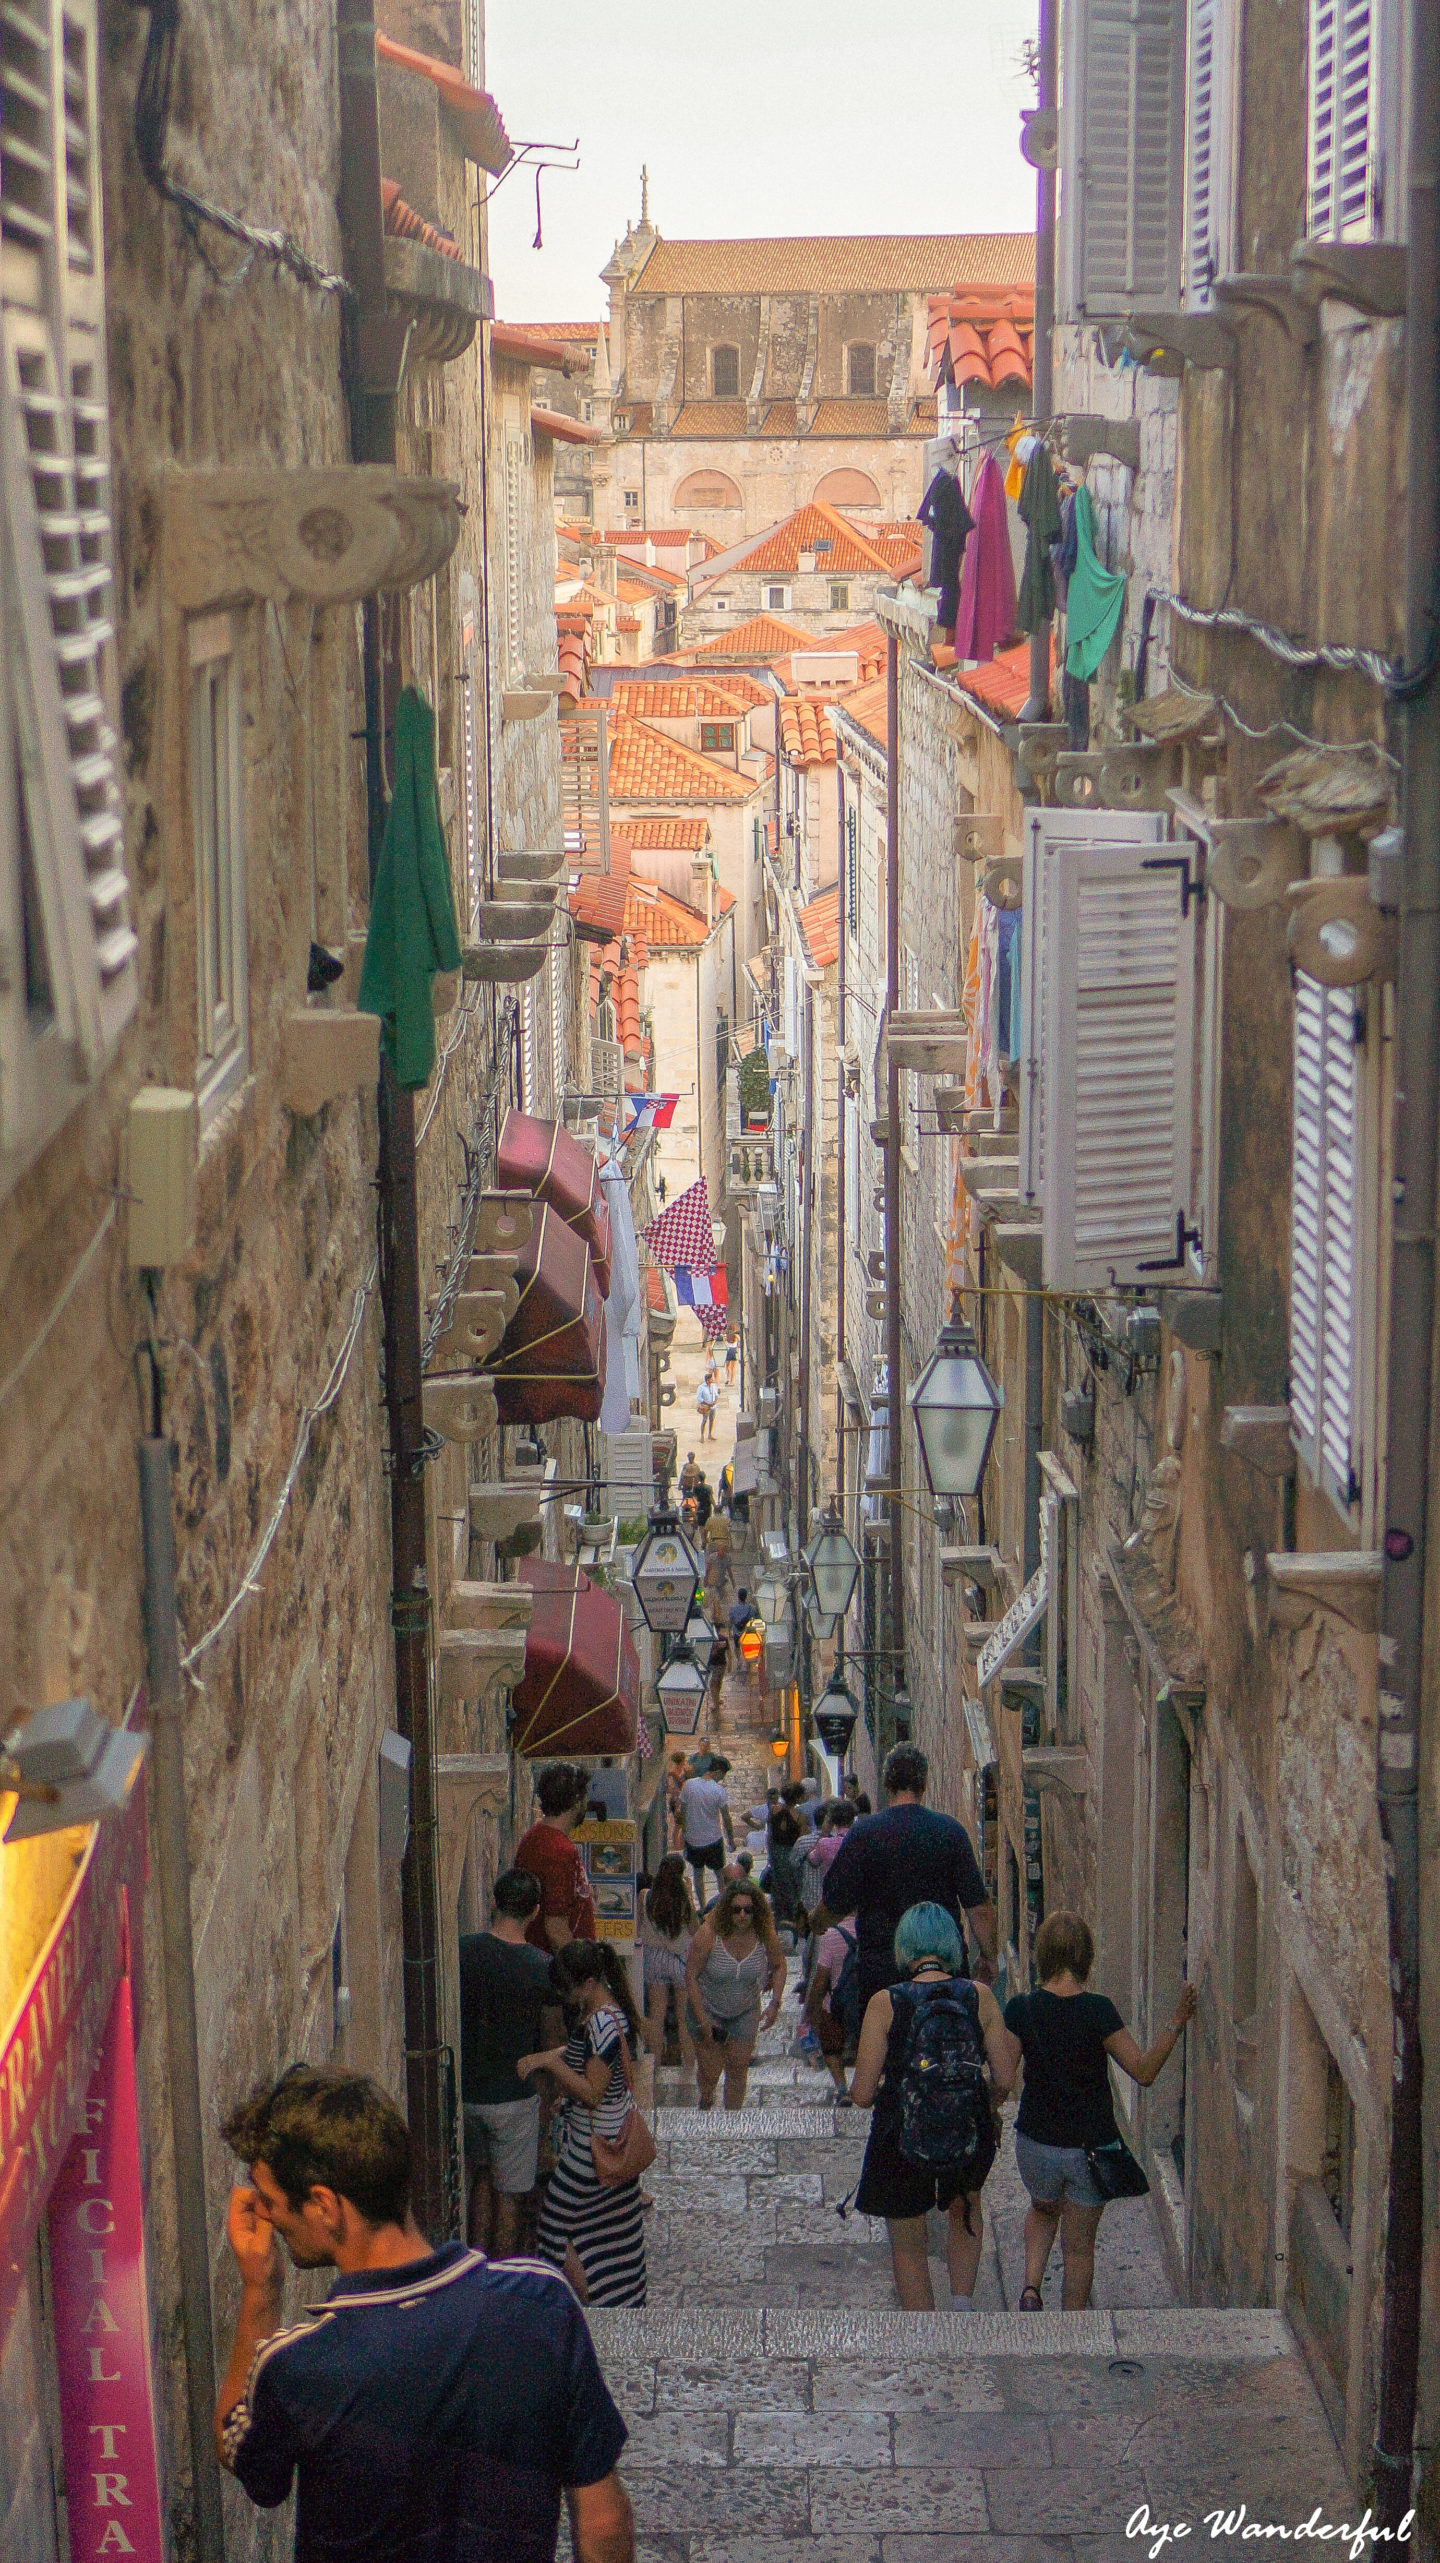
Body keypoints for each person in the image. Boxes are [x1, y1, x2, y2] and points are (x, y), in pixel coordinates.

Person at [216, 2065, 633, 2563]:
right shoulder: (542, 2304)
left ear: (325, 2206)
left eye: (269, 2200)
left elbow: (238, 2447)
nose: (265, 2215)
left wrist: (260, 2289)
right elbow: (604, 2519)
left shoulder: (302, 2369)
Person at [1005, 1909, 1197, 2310]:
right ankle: (1073, 2330)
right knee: (1078, 2251)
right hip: (1086, 2150)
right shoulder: (1098, 2010)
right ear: (1085, 1958)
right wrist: (1176, 2022)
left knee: (1042, 2211)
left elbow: (1005, 2077)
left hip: (1034, 2144)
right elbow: (1143, 2071)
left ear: (1042, 1956)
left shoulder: (1021, 2009)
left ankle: (1029, 2288)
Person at [849, 1903, 1019, 2311]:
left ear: (903, 1948)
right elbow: (1007, 2077)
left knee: (908, 2242)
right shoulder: (978, 1996)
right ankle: (960, 2309)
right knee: (966, 2209)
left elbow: (862, 2093)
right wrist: (980, 2103)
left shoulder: (884, 2003)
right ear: (951, 1945)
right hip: (967, 2128)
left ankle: (924, 2330)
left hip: (900, 2135)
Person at [817, 1743, 996, 2016]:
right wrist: (988, 1955)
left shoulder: (864, 1834)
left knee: (886, 2049)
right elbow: (979, 1908)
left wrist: (814, 1923)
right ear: (923, 1784)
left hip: (882, 1974)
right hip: (944, 1972)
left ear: (887, 1784)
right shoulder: (951, 1832)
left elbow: (834, 1905)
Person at [522, 1942, 648, 2307]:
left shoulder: (601, 2023)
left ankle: (585, 2305)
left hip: (592, 2151)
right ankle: (619, 2300)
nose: (566, 1996)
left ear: (589, 1982)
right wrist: (550, 2057)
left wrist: (553, 2066)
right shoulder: (611, 2014)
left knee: (553, 2231)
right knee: (616, 2234)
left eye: (569, 1988)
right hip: (608, 2142)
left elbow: (594, 2092)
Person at [458, 1868, 557, 2258]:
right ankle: (502, 2272)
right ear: (534, 1911)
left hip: (469, 2092)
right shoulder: (541, 1967)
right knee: (512, 2194)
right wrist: (548, 2096)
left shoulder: (463, 1952)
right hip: (514, 2095)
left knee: (481, 2179)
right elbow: (549, 2039)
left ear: (495, 1903)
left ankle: (476, 2266)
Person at [685, 1879, 788, 2111]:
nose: (742, 1915)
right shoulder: (708, 1935)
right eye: (736, 1909)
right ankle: (706, 2096)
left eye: (748, 1910)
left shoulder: (764, 1934)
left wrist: (775, 2003)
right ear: (726, 1910)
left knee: (738, 2068)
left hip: (745, 2010)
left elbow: (780, 1965)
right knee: (711, 2071)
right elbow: (691, 1974)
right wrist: (703, 2020)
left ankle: (733, 2121)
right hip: (708, 2008)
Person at [516, 1765, 596, 1952]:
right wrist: (582, 1973)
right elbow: (555, 1928)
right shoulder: (559, 1851)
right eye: (585, 1795)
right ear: (576, 1801)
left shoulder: (535, 1837)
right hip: (559, 1969)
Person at [639, 1856, 699, 2086]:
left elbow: (639, 1927)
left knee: (656, 2015)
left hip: (654, 1958)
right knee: (684, 2018)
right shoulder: (683, 1900)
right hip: (680, 1959)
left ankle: (653, 2067)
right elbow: (695, 1929)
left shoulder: (645, 1896)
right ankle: (689, 2068)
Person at [805, 1904, 861, 2103]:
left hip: (838, 2003)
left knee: (831, 2048)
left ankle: (842, 2088)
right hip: (867, 2001)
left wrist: (811, 2013)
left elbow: (821, 1979)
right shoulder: (874, 1930)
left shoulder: (830, 1935)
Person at [679, 1752, 734, 1904]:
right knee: (719, 1874)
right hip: (713, 1839)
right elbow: (727, 1818)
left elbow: (682, 1812)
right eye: (723, 1775)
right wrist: (731, 1840)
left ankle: (702, 1906)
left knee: (698, 1874)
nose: (722, 1778)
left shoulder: (689, 1785)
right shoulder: (718, 1791)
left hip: (693, 1840)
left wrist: (684, 1833)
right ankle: (723, 1904)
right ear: (717, 1771)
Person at [803, 1796, 857, 1890]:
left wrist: (824, 1834)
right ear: (852, 1819)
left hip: (832, 1890)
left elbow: (813, 1860)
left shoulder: (824, 1843)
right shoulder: (859, 1840)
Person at [697, 1374, 718, 1441]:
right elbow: (699, 1398)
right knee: (704, 1420)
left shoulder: (714, 1386)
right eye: (711, 1379)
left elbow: (716, 1394)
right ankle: (702, 1436)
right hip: (706, 1407)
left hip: (713, 1406)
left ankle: (710, 1434)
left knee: (712, 1419)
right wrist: (708, 1403)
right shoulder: (701, 1387)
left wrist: (714, 1401)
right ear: (708, 1380)